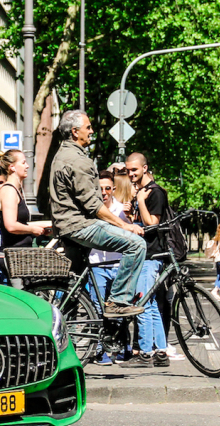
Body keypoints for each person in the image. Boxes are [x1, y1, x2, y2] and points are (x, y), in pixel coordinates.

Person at [48, 110, 146, 318]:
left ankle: (68, 327)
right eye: (88, 127)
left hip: (67, 227)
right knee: (136, 245)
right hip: (80, 226)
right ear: (75, 132)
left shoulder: (61, 155)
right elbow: (93, 205)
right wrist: (125, 225)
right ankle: (119, 301)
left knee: (74, 285)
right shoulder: (78, 161)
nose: (92, 131)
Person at [124, 151, 170, 367]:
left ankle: (144, 353)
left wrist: (140, 201)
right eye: (128, 170)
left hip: (151, 255)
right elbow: (140, 224)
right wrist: (129, 215)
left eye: (134, 169)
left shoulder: (155, 193)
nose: (130, 173)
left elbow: (152, 223)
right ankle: (160, 351)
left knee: (141, 303)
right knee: (149, 303)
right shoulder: (142, 192)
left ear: (144, 168)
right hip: (145, 253)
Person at [88, 172, 130, 364]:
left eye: (107, 188)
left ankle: (120, 347)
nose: (104, 192)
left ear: (113, 189)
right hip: (97, 263)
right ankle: (98, 351)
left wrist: (128, 218)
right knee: (97, 308)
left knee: (119, 308)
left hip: (117, 264)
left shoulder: (122, 209)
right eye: (100, 188)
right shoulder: (91, 208)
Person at [0, 148, 48, 254]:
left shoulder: (13, 190)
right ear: (12, 167)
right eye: (23, 163)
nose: (27, 166)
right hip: (13, 255)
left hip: (19, 254)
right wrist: (33, 230)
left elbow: (22, 224)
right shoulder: (9, 191)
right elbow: (11, 226)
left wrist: (49, 225)